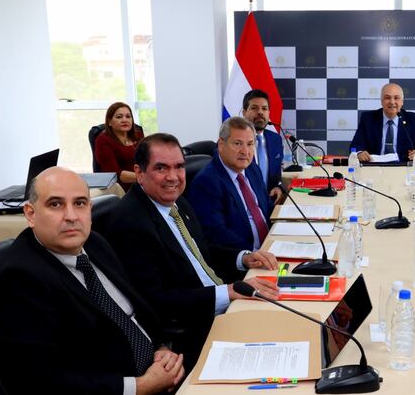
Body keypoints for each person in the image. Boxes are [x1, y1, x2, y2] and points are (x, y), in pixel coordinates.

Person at [0, 167, 184, 395]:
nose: (71, 216)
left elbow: (139, 312)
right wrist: (141, 387)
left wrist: (160, 348)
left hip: (157, 380)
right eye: (55, 204)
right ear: (30, 213)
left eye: (80, 203)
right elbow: (41, 383)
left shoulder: (95, 245)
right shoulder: (19, 278)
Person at [105, 133, 279, 369]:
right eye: (161, 168)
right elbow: (157, 301)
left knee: (297, 318)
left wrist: (243, 257)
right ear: (139, 172)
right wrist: (227, 293)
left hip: (222, 304)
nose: (173, 177)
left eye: (179, 167)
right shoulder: (130, 222)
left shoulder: (177, 202)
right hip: (196, 327)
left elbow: (202, 251)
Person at [188, 117, 277, 253]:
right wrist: (252, 253)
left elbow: (266, 206)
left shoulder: (251, 168)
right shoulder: (207, 182)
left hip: (271, 245)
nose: (245, 151)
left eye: (250, 144)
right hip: (245, 258)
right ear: (221, 145)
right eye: (237, 143)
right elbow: (217, 234)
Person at [350, 82, 415, 163]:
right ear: (381, 101)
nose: (392, 102)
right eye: (387, 98)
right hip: (374, 167)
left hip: (403, 168)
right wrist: (359, 154)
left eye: (396, 98)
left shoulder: (414, 120)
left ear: (402, 101)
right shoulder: (368, 118)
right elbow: (355, 147)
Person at [242, 89, 284, 202]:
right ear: (244, 112)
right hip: (247, 206)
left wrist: (278, 187)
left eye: (264, 108)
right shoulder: (232, 142)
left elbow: (276, 174)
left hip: (270, 202)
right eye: (254, 108)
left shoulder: (275, 139)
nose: (260, 112)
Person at [94, 102, 144, 190]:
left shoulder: (138, 135)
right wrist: (145, 178)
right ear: (109, 121)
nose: (125, 120)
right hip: (118, 188)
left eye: (128, 116)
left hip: (142, 183)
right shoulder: (102, 140)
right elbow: (115, 174)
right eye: (119, 117)